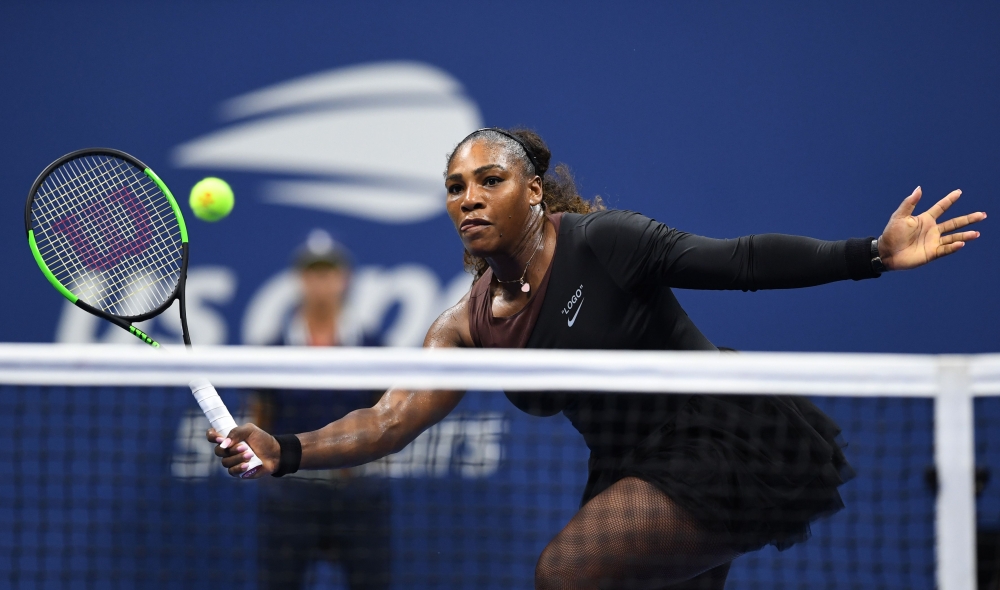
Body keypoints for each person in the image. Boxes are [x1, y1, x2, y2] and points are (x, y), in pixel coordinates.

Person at [211, 128, 986, 589]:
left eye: (490, 179)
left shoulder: (606, 245)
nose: (469, 197)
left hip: (726, 442)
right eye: (454, 187)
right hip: (632, 470)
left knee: (565, 572)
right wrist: (284, 450)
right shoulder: (464, 325)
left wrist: (870, 256)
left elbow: (742, 259)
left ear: (535, 192)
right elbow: (389, 419)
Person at [249, 229, 390, 590]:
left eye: (328, 272)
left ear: (344, 279)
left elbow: (389, 416)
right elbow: (260, 416)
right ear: (300, 280)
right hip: (291, 497)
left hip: (359, 496)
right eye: (313, 272)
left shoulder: (374, 348)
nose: (321, 281)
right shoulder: (274, 351)